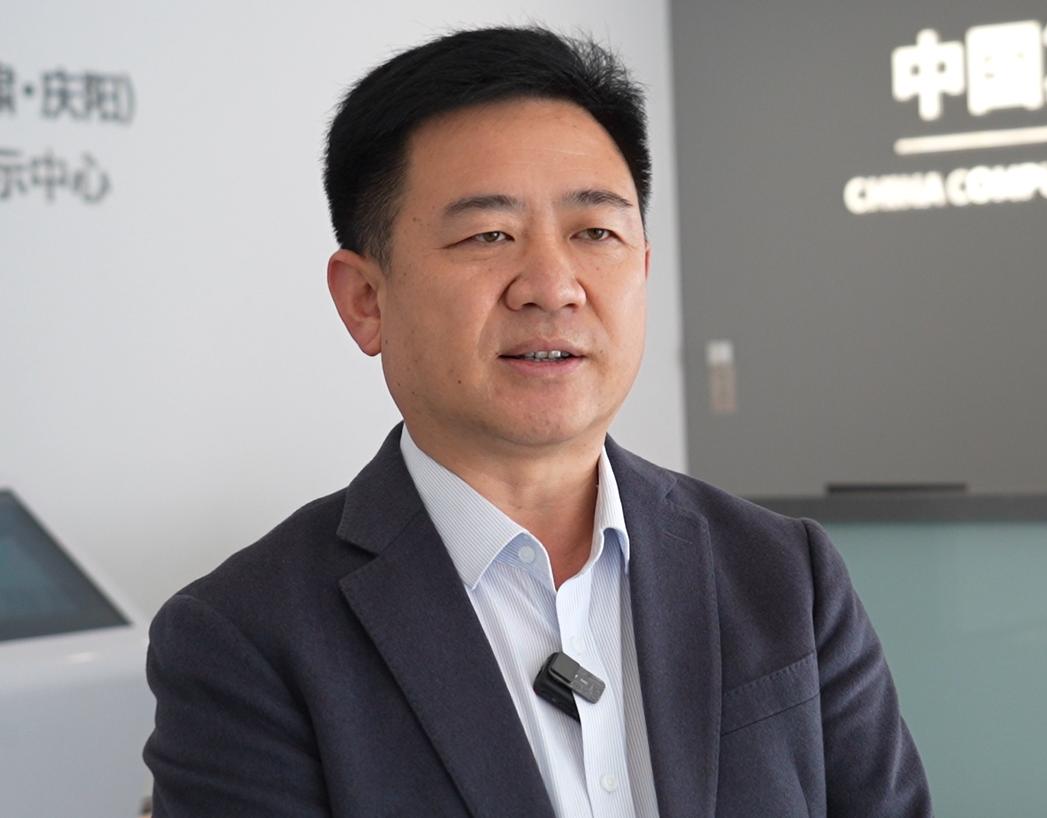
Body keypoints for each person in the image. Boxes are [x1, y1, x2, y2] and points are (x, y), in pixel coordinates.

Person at [142, 26, 932, 818]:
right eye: (488, 235)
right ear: (365, 301)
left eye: (595, 233)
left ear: (642, 267)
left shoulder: (782, 574)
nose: (552, 287)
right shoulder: (246, 637)